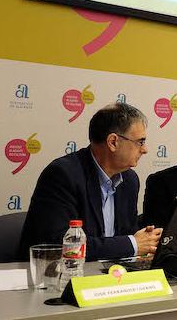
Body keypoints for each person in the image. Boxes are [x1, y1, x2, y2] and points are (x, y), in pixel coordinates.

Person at [20, 103, 161, 261]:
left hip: (109, 272)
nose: (145, 149)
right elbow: (60, 245)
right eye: (140, 142)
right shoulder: (63, 175)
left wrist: (146, 244)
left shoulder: (129, 180)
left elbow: (127, 235)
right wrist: (132, 244)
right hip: (56, 272)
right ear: (113, 142)